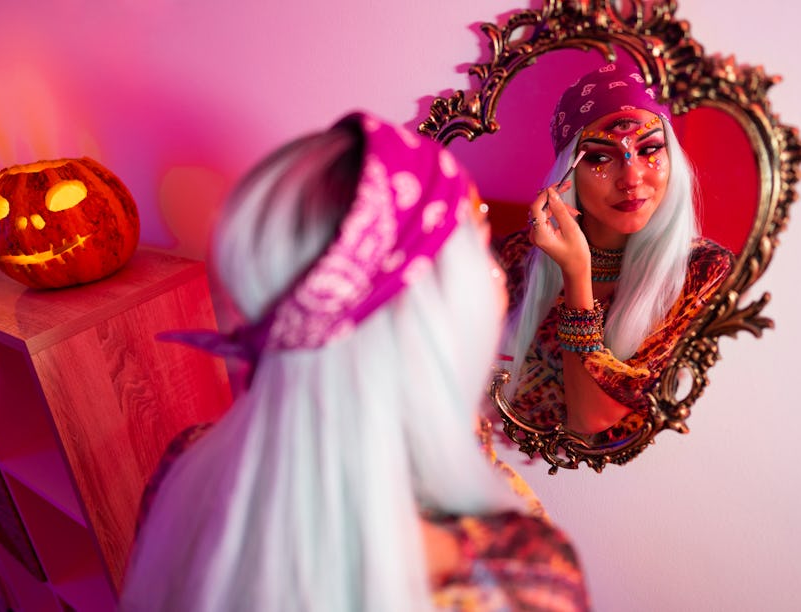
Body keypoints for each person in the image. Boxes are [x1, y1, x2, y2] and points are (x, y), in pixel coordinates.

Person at [118, 112, 590, 611]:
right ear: (435, 313)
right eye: (478, 237)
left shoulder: (187, 468)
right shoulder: (521, 581)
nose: (495, 272)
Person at [498, 62, 733, 438]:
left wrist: (577, 274)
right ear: (568, 174)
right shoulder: (516, 257)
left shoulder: (705, 272)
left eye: (650, 149)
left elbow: (589, 420)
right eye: (599, 158)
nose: (632, 179)